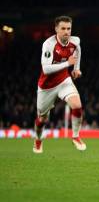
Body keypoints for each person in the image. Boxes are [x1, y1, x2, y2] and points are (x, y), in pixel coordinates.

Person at [33, 16, 86, 153]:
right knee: (42, 120)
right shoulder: (48, 44)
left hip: (64, 81)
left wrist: (76, 69)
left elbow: (78, 51)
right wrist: (68, 64)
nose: (66, 31)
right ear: (56, 29)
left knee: (77, 105)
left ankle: (75, 136)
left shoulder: (75, 41)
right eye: (63, 28)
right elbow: (46, 69)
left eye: (69, 28)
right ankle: (38, 140)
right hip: (46, 87)